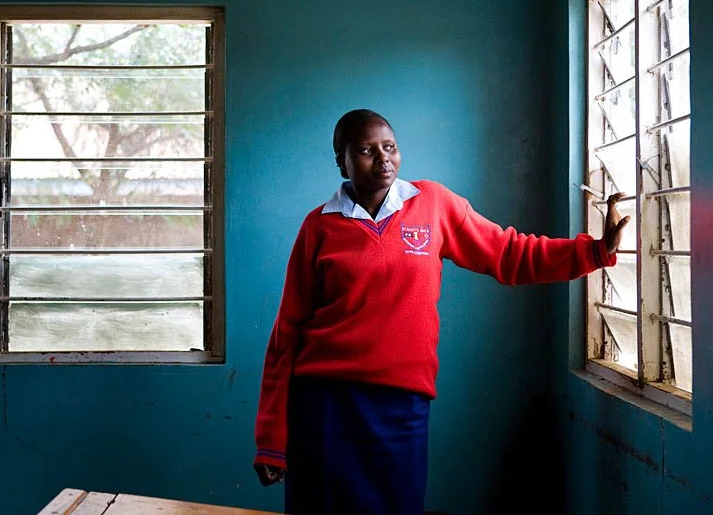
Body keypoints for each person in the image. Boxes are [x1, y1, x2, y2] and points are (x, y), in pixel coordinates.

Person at [253, 109, 630, 514]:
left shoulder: (432, 204)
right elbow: (285, 336)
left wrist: (595, 250)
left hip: (402, 407)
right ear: (340, 161)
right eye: (365, 150)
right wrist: (271, 439)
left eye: (390, 147)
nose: (383, 158)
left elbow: (509, 253)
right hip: (326, 407)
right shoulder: (318, 227)